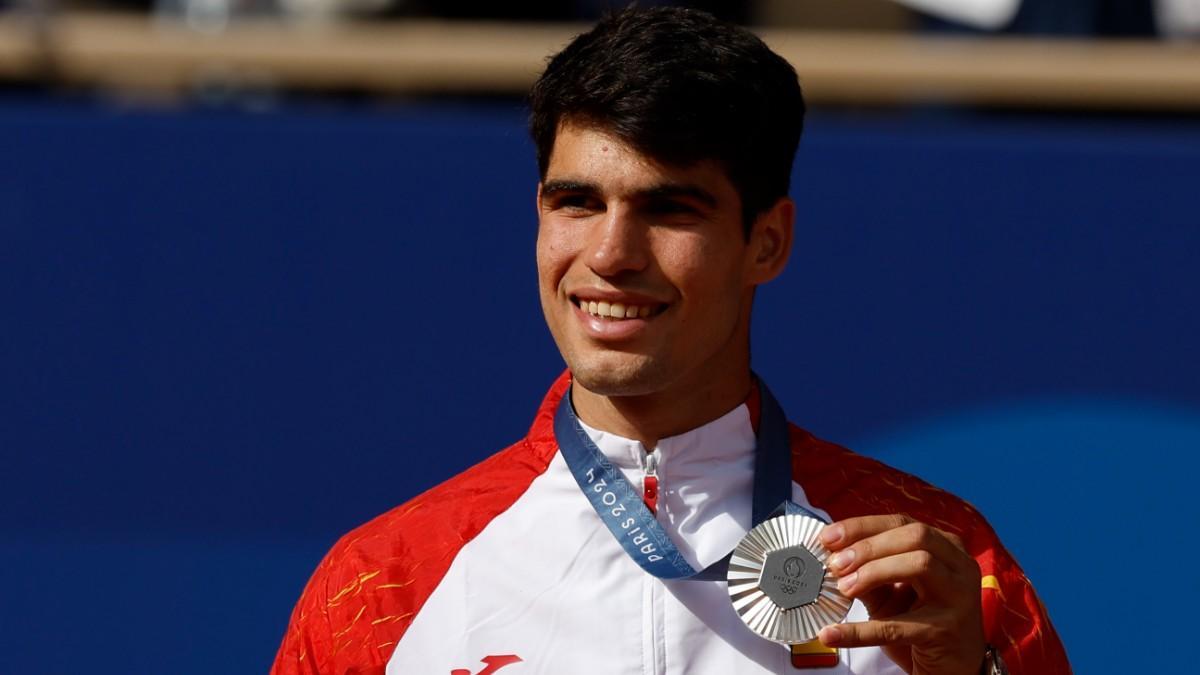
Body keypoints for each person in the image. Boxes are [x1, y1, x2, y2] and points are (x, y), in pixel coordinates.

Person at [270, 7, 1070, 674]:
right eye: (576, 201)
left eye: (670, 209)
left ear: (768, 241)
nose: (611, 254)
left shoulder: (941, 565)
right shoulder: (384, 582)